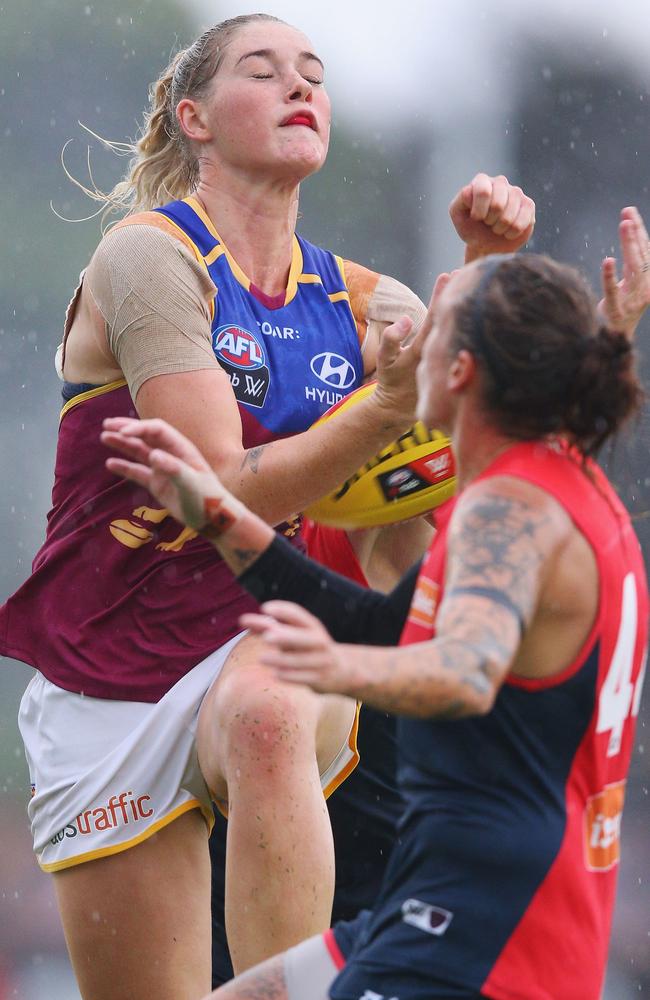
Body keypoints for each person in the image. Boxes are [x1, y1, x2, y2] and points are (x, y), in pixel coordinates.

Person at [0, 11, 536, 998]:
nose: (300, 87)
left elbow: (453, 452)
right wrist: (382, 404)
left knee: (266, 713)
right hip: (102, 671)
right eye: (264, 71)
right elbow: (217, 488)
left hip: (255, 637)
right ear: (193, 117)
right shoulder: (148, 257)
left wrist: (483, 276)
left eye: (314, 74)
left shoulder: (368, 300)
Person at [102, 206, 650, 1000]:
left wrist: (333, 667)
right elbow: (384, 626)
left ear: (457, 371)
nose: (402, 342)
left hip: (484, 932)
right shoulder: (550, 482)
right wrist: (218, 516)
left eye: (435, 321)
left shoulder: (507, 513)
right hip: (444, 905)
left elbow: (463, 670)